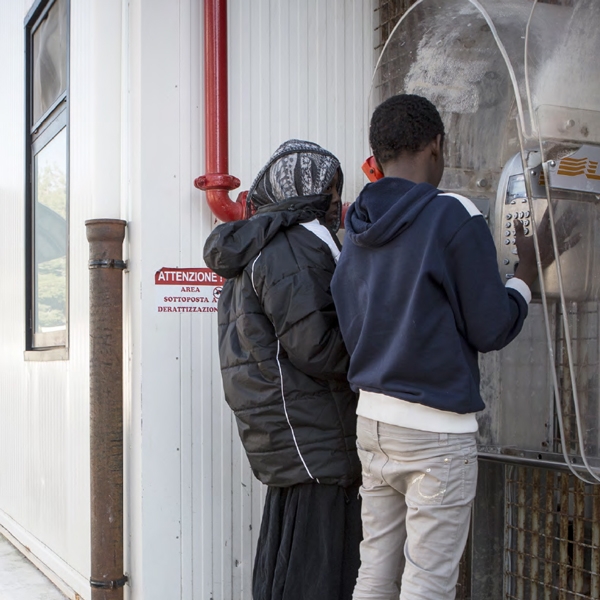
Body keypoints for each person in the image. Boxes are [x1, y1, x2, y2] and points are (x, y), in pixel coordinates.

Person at [330, 94, 574, 600]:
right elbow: (490, 328)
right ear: (437, 146)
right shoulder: (452, 214)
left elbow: (351, 319)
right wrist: (526, 274)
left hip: (373, 424)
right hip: (435, 435)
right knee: (428, 584)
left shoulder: (355, 223)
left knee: (374, 572)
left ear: (379, 154)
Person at [203, 139, 362, 600]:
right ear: (309, 194)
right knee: (318, 571)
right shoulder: (294, 245)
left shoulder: (256, 245)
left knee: (289, 561)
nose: (336, 204)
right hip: (315, 436)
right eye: (331, 193)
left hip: (291, 438)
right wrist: (379, 360)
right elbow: (317, 345)